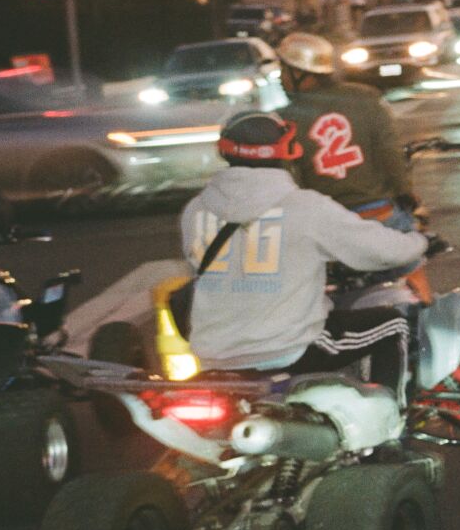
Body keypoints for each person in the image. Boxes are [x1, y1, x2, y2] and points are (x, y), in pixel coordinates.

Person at [181, 112, 429, 392]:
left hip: (213, 355)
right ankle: (390, 422)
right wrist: (419, 241)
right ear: (286, 151)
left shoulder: (195, 209)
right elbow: (385, 252)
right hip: (288, 349)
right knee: (393, 324)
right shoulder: (306, 206)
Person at [274, 32, 418, 227]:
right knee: (414, 251)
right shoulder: (366, 97)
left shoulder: (286, 119)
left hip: (329, 220)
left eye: (283, 71)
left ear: (300, 72)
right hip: (380, 212)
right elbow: (389, 149)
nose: (280, 79)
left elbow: (289, 177)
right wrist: (405, 192)